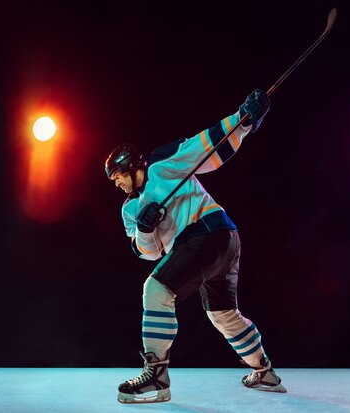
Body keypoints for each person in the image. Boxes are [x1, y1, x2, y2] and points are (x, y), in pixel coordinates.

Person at [105, 89, 286, 404]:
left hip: (208, 234)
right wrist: (146, 228)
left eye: (119, 175)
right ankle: (264, 371)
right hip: (221, 241)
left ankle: (156, 377)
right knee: (223, 314)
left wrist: (244, 119)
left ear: (133, 166)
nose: (117, 183)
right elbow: (147, 252)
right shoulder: (129, 210)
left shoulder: (162, 163)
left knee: (156, 291)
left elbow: (206, 147)